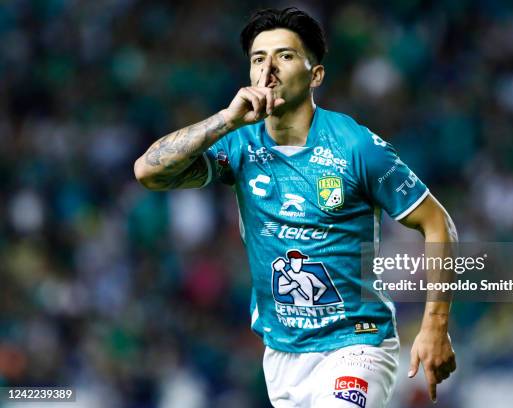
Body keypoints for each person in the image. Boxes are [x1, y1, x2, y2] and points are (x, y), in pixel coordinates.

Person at [134, 7, 457, 407]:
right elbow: (149, 172)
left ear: (315, 75)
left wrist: (435, 327)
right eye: (257, 59)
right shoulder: (239, 144)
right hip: (283, 354)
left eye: (284, 56)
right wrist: (223, 120)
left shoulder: (356, 147)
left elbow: (438, 224)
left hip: (357, 346)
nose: (268, 69)